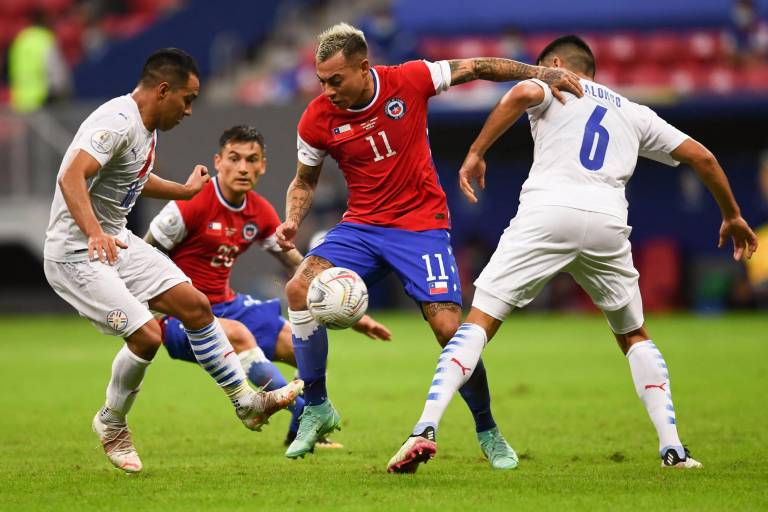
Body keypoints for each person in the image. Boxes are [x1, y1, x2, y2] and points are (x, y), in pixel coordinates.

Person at [387, 35, 759, 473]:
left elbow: (524, 89)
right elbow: (705, 158)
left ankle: (425, 427)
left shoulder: (555, 81)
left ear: (558, 63)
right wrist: (732, 215)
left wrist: (475, 152)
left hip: (547, 213)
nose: (536, 71)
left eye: (540, 65)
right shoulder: (634, 111)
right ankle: (673, 448)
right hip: (607, 223)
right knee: (634, 335)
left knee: (480, 321)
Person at [275, 22, 584, 464]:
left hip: (421, 227)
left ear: (364, 68)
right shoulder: (317, 117)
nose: (327, 91)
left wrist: (539, 72)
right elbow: (304, 181)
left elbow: (476, 66)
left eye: (336, 80)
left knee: (448, 332)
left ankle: (488, 430)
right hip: (361, 227)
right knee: (298, 289)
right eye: (322, 80)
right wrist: (292, 218)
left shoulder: (410, 79)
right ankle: (318, 408)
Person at [42, 49, 302, 474]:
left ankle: (247, 403)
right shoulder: (117, 121)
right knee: (147, 336)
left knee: (196, 306)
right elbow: (71, 175)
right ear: (163, 90)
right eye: (187, 98)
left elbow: (134, 180)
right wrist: (92, 232)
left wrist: (182, 192)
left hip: (116, 241)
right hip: (77, 252)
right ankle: (111, 423)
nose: (189, 109)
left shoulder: (146, 128)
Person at [144, 125, 391, 447]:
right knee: (239, 335)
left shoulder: (258, 211)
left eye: (252, 160)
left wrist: (354, 316)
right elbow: (142, 258)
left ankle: (298, 433)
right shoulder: (189, 204)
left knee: (303, 344)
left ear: (263, 166)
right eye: (235, 158)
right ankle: (307, 415)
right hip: (180, 315)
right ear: (218, 162)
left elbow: (299, 266)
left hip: (226, 305)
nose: (243, 167)